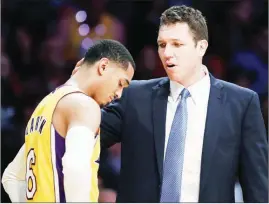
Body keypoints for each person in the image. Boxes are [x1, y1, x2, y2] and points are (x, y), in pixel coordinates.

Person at [100, 5, 268, 202]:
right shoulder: (134, 95)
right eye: (162, 45)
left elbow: (257, 189)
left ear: (201, 47)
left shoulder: (241, 103)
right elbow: (84, 132)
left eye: (177, 44)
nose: (167, 53)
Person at [1, 39, 135, 202]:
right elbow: (75, 168)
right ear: (103, 66)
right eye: (120, 83)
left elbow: (11, 177)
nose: (119, 94)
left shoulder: (45, 106)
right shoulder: (84, 105)